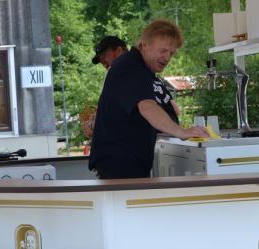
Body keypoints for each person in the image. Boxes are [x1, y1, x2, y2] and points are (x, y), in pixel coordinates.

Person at [89, 19, 209, 178]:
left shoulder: (139, 68)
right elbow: (147, 107)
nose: (167, 57)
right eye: (163, 50)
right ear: (144, 45)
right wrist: (181, 132)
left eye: (171, 53)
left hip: (123, 162)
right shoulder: (131, 67)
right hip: (120, 166)